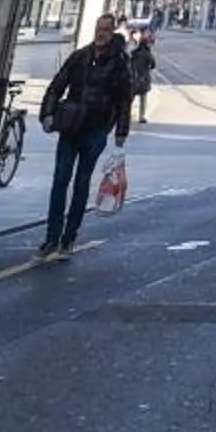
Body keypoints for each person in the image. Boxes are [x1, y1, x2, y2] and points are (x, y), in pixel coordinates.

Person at [37, 13, 134, 258]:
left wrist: (121, 132)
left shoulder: (120, 62)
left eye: (106, 30)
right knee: (60, 180)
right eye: (98, 29)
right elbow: (56, 86)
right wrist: (47, 114)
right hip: (70, 128)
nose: (101, 34)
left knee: (81, 183)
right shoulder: (80, 56)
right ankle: (51, 238)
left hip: (96, 130)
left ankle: (68, 238)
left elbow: (124, 100)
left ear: (113, 33)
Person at [129, 29, 157, 124]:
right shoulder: (147, 54)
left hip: (133, 77)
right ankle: (142, 116)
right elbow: (153, 64)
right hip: (143, 78)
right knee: (143, 98)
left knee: (131, 97)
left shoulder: (134, 53)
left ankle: (126, 113)